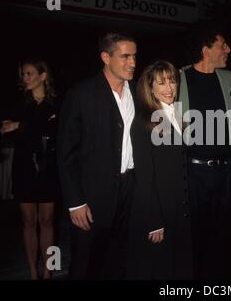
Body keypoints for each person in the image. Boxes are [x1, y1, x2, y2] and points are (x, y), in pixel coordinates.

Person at [57, 32, 142, 279]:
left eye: (135, 56)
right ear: (106, 57)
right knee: (86, 265)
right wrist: (76, 201)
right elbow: (66, 153)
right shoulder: (81, 93)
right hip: (92, 195)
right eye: (125, 56)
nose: (133, 63)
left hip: (130, 190)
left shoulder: (137, 91)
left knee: (118, 261)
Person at [178, 26, 231, 279]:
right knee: (194, 240)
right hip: (192, 173)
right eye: (222, 45)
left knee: (223, 241)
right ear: (206, 50)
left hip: (225, 172)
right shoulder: (177, 78)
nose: (228, 50)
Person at [127, 60, 192, 279]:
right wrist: (154, 220)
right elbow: (144, 177)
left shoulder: (177, 116)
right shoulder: (143, 122)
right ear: (151, 87)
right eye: (161, 82)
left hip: (178, 210)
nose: (169, 88)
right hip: (158, 213)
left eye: (172, 81)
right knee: (159, 269)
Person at [0, 59, 59, 280]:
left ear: (43, 76)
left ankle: (50, 269)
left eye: (29, 73)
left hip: (48, 168)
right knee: (27, 222)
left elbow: (54, 130)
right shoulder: (18, 104)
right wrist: (17, 127)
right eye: (23, 74)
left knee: (48, 222)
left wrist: (21, 126)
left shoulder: (56, 103)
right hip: (24, 167)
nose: (25, 78)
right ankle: (34, 273)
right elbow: (7, 130)